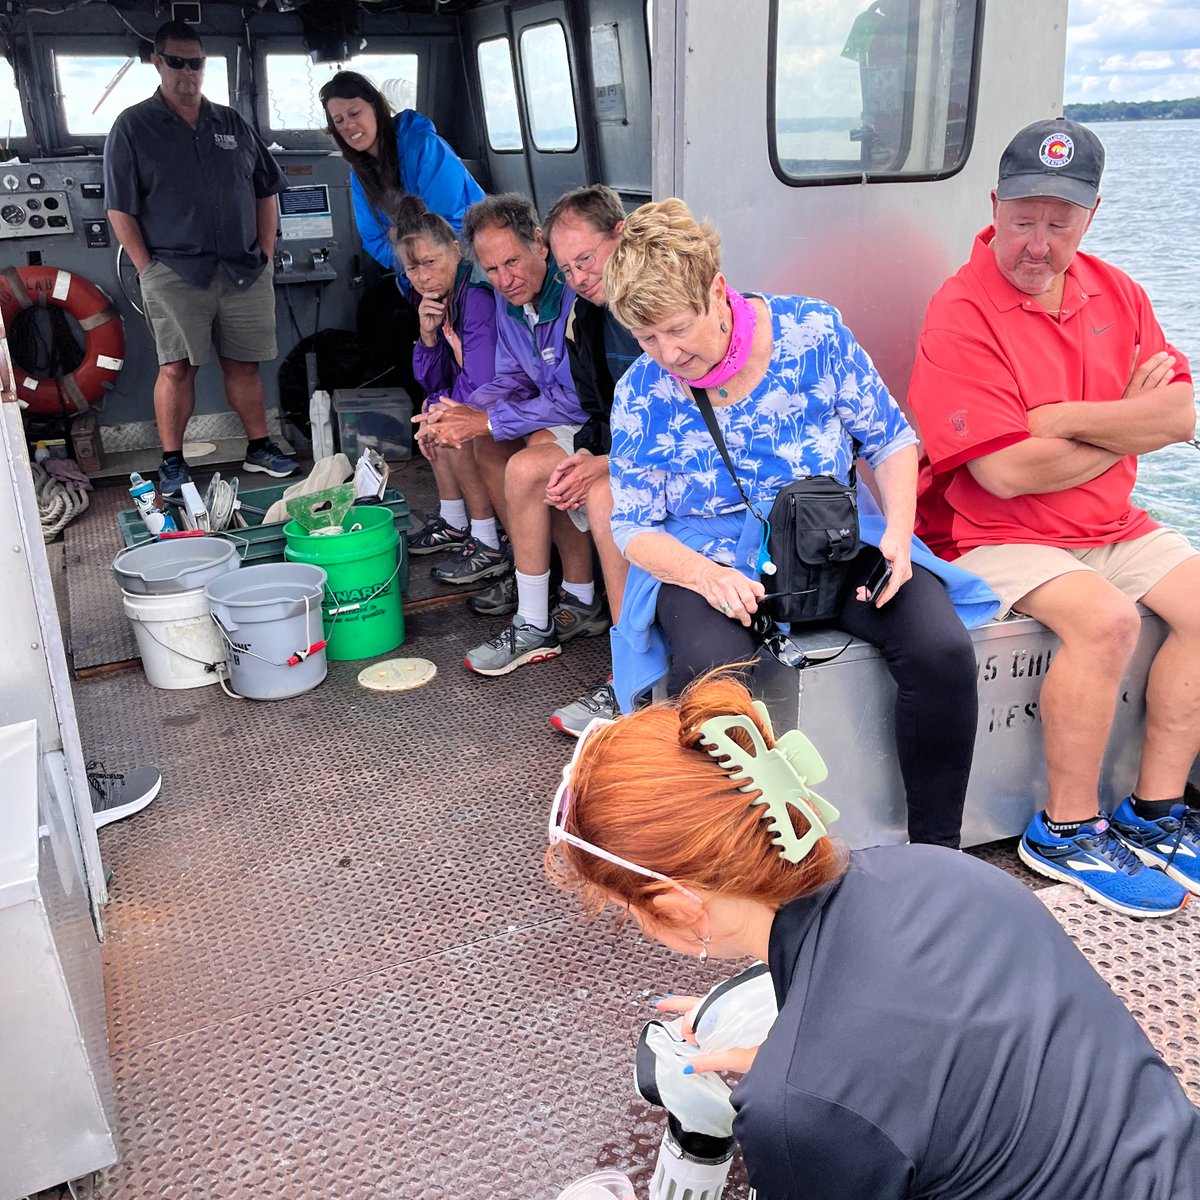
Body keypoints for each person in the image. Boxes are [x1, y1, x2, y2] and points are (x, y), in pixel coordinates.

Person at [546, 672, 1200, 1200]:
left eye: (626, 907)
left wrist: (797, 1081)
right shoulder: (947, 874)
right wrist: (796, 1056)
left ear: (678, 907)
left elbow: (835, 1097)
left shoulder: (794, 1113)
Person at [603, 199, 997, 848]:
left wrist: (898, 538)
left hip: (830, 538)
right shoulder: (642, 393)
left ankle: (936, 852)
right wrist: (703, 577)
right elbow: (634, 527)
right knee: (713, 685)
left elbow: (892, 440)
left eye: (677, 329)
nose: (667, 353)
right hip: (714, 561)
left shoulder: (813, 332)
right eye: (646, 338)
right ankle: (742, 864)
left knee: (940, 649)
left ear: (717, 291)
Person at [908, 117, 1200, 916]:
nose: (1038, 243)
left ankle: (1157, 814)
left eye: (1059, 223)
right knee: (1106, 622)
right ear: (995, 206)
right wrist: (1122, 418)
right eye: (1024, 220)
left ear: (1091, 216)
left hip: (1111, 523)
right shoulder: (960, 310)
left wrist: (1064, 418)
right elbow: (1002, 475)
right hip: (992, 533)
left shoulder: (1120, 291)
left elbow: (1179, 417)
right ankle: (1066, 829)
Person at [105, 20, 299, 499]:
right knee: (175, 368)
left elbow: (265, 191)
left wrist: (266, 253)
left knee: (244, 364)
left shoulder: (231, 123)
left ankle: (259, 446)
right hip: (174, 271)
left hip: (243, 269)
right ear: (158, 62)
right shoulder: (133, 126)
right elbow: (119, 207)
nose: (187, 72)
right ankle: (171, 462)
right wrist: (147, 266)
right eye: (177, 62)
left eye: (196, 63)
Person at [417, 194, 606, 677]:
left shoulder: (573, 296)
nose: (506, 279)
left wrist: (487, 419)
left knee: (529, 463)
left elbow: (575, 398)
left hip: (592, 424)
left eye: (513, 261)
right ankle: (561, 588)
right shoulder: (508, 301)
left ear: (539, 245)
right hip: (558, 417)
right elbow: (513, 377)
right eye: (493, 269)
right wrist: (462, 411)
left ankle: (536, 620)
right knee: (481, 441)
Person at [542, 185, 643, 734]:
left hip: (694, 465)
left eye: (587, 259)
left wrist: (605, 467)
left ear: (620, 237)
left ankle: (632, 678)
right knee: (578, 482)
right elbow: (595, 411)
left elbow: (687, 422)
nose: (579, 277)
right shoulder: (586, 317)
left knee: (604, 497)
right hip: (628, 456)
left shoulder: (658, 304)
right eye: (567, 268)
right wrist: (583, 457)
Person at [390, 195, 502, 562]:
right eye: (412, 269)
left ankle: (487, 538)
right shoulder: (443, 300)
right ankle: (454, 521)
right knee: (431, 405)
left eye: (430, 263)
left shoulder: (478, 298)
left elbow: (484, 382)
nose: (422, 277)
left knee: (445, 416)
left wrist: (439, 408)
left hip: (509, 399)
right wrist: (428, 336)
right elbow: (432, 379)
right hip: (483, 395)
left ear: (455, 251)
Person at [319, 71, 485, 270]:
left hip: (473, 258)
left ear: (376, 107)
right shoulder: (359, 174)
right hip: (418, 272)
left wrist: (402, 241)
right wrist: (411, 268)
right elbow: (374, 240)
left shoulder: (424, 147)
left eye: (354, 113)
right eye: (339, 120)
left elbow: (450, 224)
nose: (348, 125)